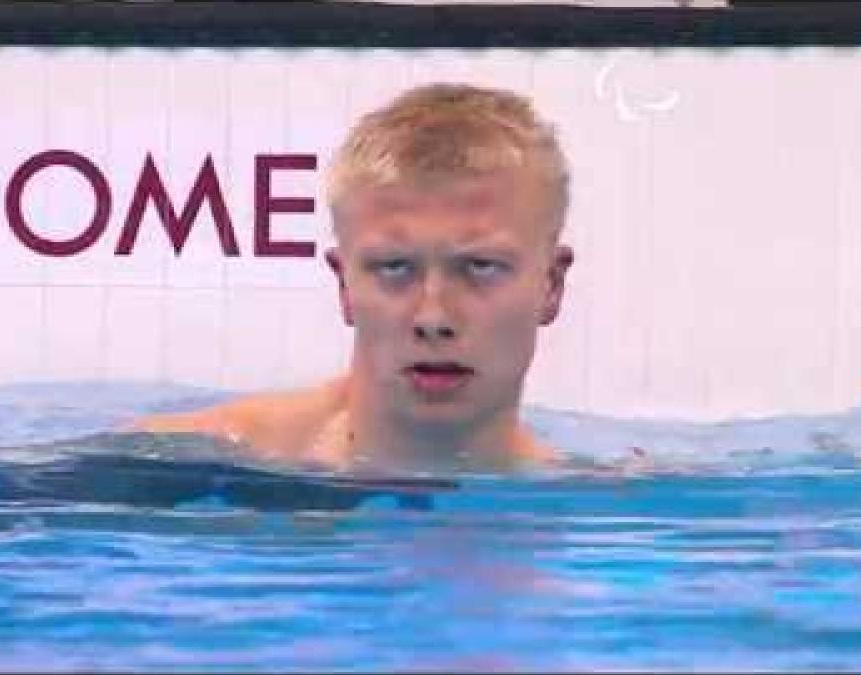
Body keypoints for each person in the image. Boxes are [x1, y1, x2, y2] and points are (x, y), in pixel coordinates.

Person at [131, 83, 575, 474]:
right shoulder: (182, 460)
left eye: (480, 266)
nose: (433, 317)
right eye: (395, 268)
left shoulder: (604, 505)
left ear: (551, 285)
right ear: (344, 285)